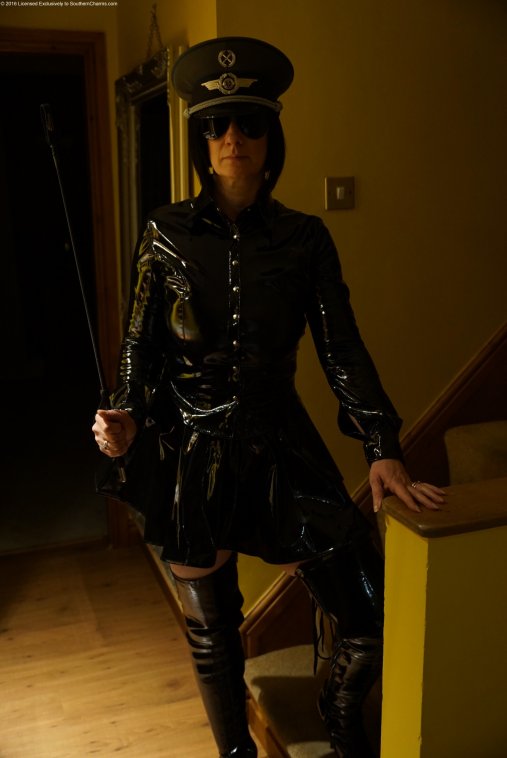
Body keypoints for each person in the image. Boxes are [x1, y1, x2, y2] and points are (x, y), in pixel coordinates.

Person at [92, 37, 444, 758]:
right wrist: (124, 412)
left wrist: (381, 446)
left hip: (282, 443)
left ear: (269, 136)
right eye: (217, 125)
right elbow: (138, 344)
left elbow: (341, 347)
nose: (233, 138)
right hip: (190, 445)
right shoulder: (163, 233)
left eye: (249, 123)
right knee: (213, 635)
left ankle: (343, 734)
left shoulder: (304, 238)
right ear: (201, 138)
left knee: (369, 614)